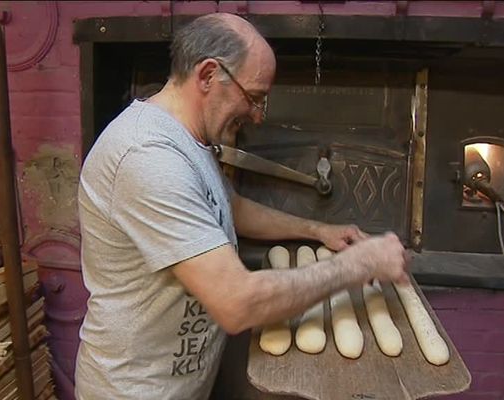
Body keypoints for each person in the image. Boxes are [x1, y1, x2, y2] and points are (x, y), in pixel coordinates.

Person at [74, 12, 409, 400]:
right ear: (207, 75)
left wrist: (319, 231)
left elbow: (226, 207)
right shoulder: (147, 157)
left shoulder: (188, 141)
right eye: (253, 97)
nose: (258, 115)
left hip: (181, 386)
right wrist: (359, 265)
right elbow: (236, 303)